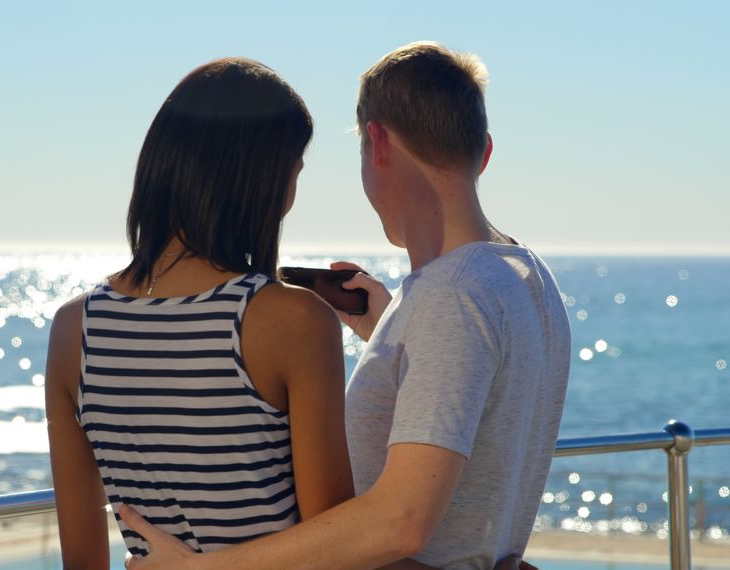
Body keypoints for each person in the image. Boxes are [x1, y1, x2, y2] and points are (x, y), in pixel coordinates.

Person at [121, 41, 572, 569]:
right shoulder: (525, 276)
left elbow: (401, 523)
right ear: (484, 152)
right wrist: (389, 330)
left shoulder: (451, 297)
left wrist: (201, 569)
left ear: (377, 143)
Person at [43, 57, 354, 570]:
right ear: (260, 177)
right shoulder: (295, 320)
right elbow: (339, 547)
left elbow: (82, 560)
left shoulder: (74, 329)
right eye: (293, 173)